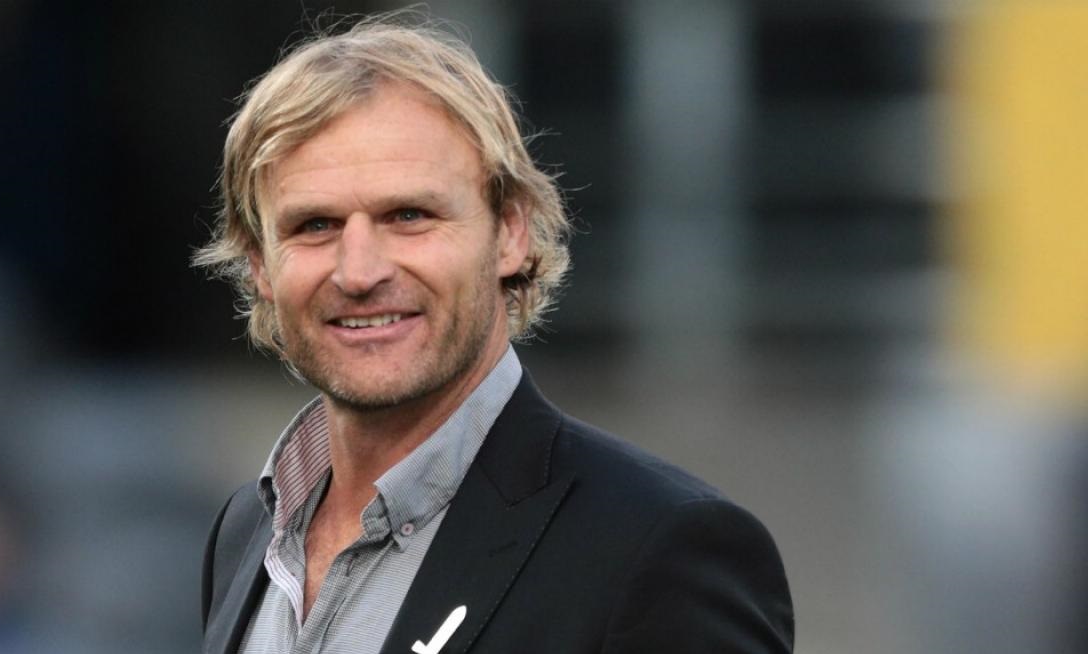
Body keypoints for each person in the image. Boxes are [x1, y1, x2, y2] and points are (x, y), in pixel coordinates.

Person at [196, 15, 793, 654]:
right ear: (260, 264)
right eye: (315, 225)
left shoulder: (658, 547)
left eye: (409, 215)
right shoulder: (244, 532)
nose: (359, 272)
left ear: (510, 232)